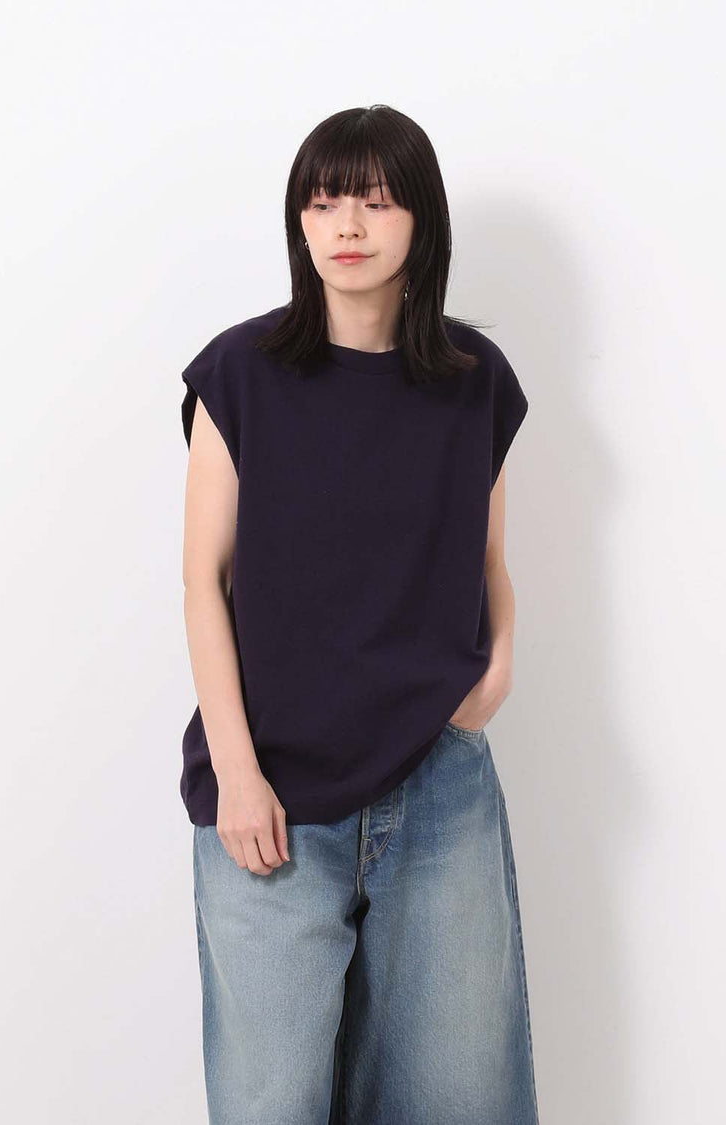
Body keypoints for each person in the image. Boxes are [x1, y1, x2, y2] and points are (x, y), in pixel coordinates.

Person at [179, 104, 540, 1125]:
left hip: (439, 782)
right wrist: (238, 774)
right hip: (271, 793)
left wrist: (497, 671)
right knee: (271, 1103)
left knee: (457, 1096)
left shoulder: (474, 381)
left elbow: (488, 559)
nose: (347, 224)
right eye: (324, 200)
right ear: (298, 220)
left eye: (377, 202)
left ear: (422, 220)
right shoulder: (241, 374)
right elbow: (203, 580)